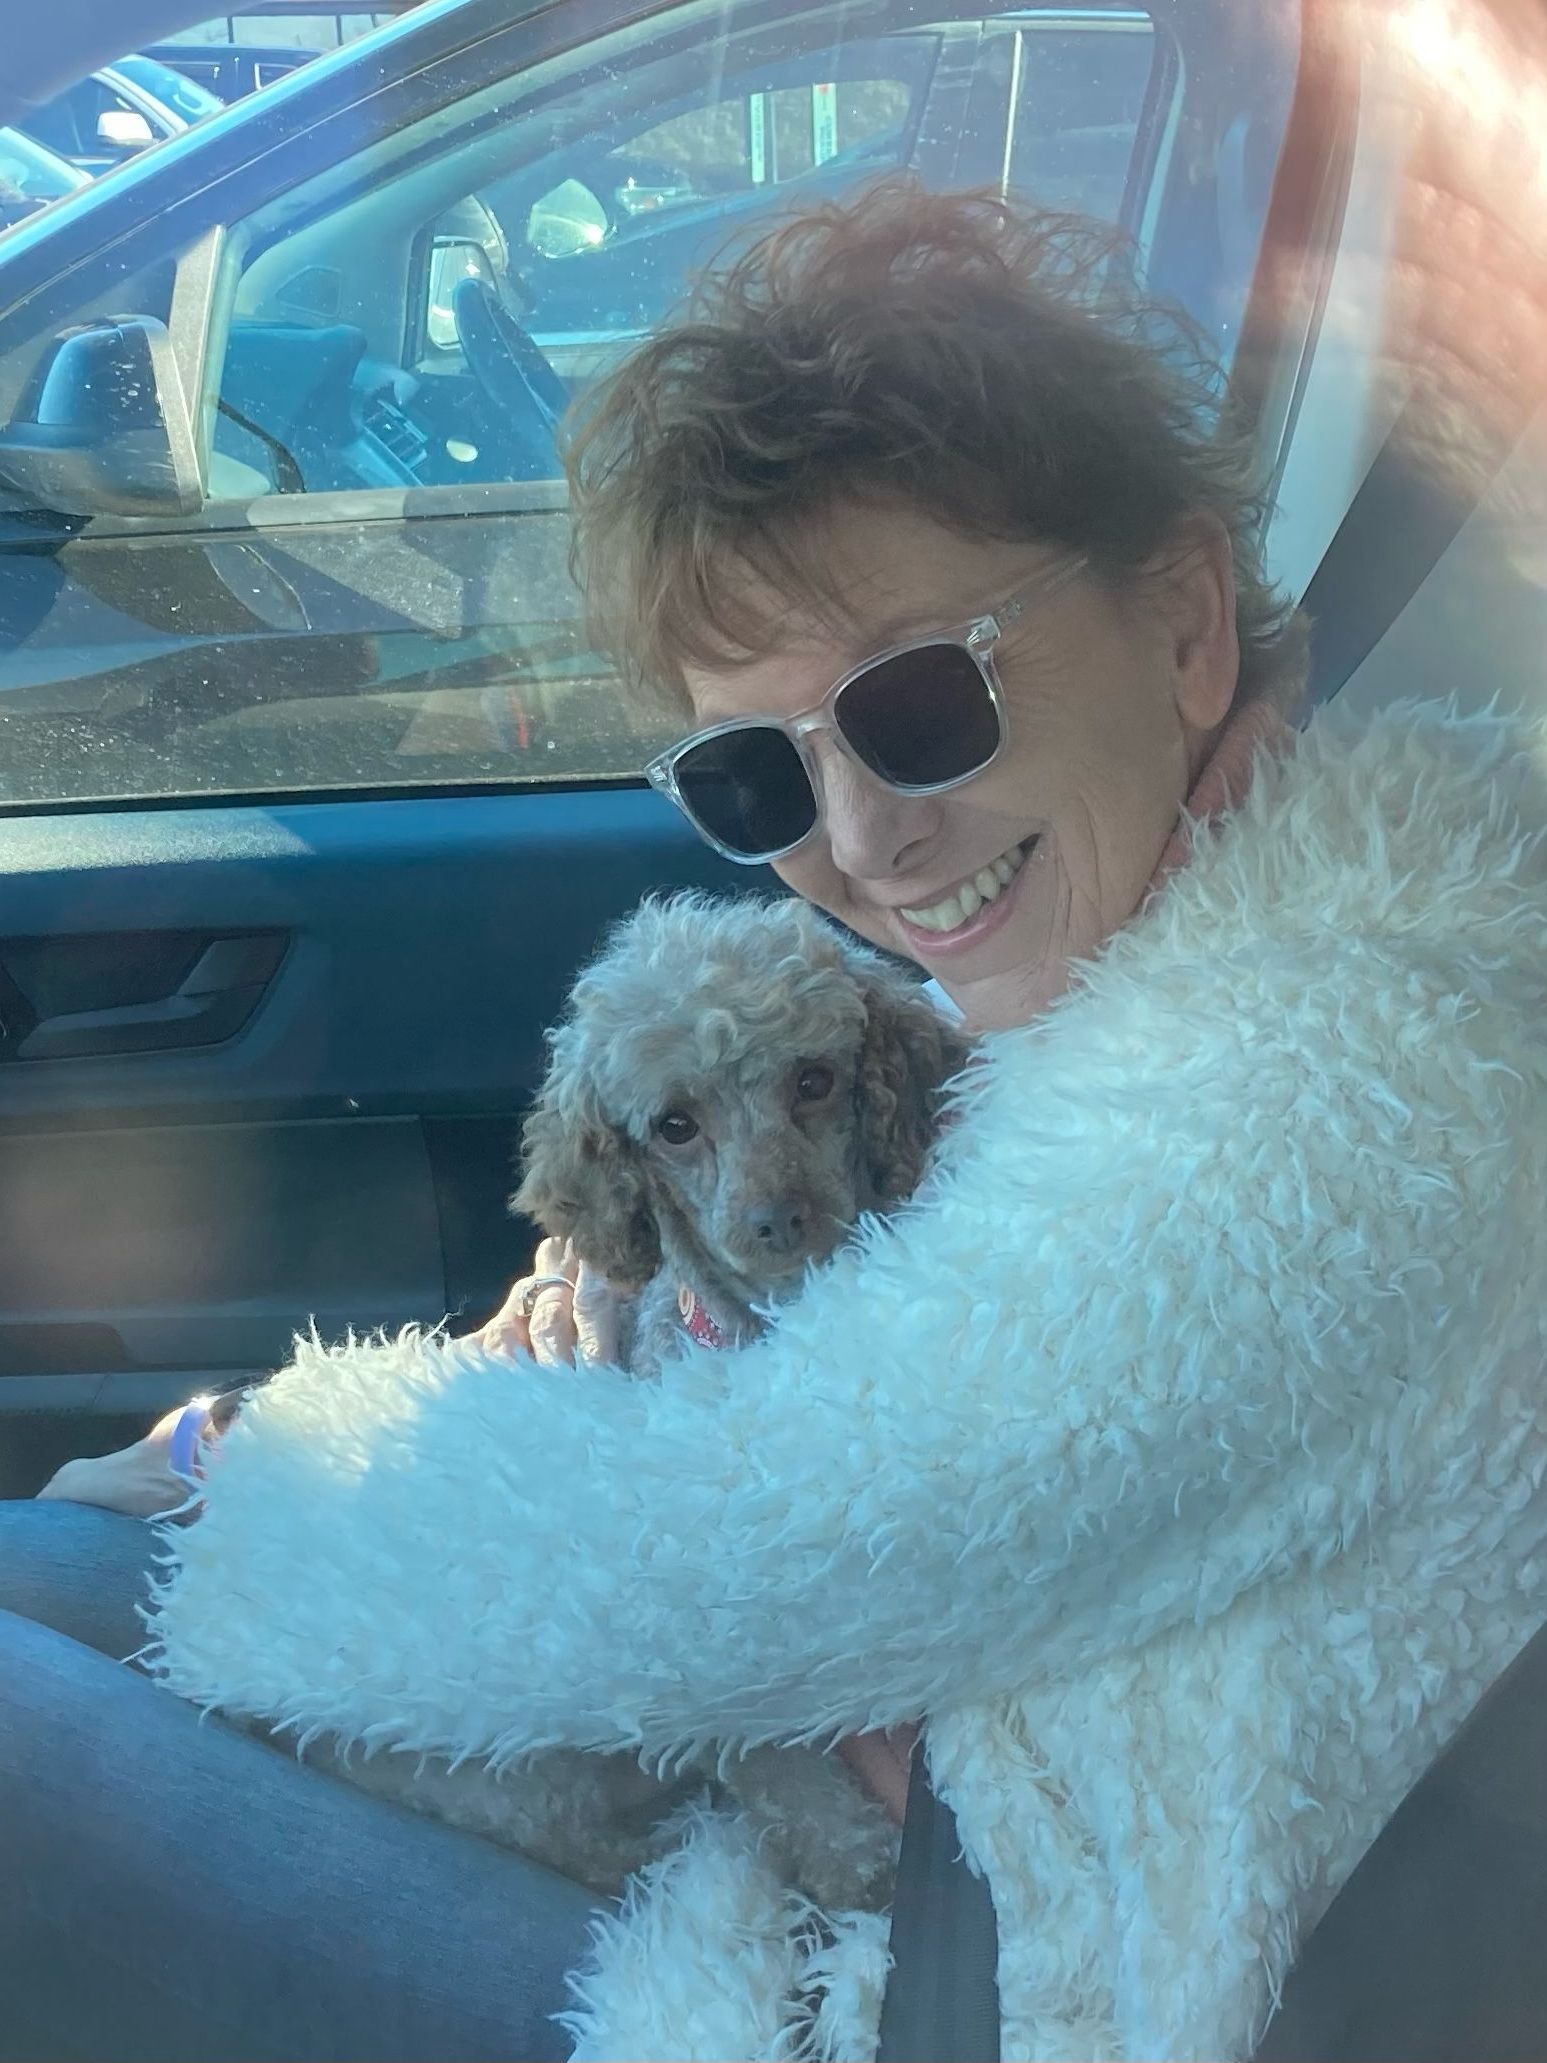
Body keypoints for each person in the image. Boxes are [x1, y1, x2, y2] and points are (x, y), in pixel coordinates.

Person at [5, 183, 1547, 2061]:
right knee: (43, 1577)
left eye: (922, 700)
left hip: (924, 1992)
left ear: (1190, 630)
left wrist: (234, 1466)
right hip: (884, 1853)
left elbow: (697, 1564)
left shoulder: (1317, 1099)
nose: (867, 841)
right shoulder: (1177, 976)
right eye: (755, 771)